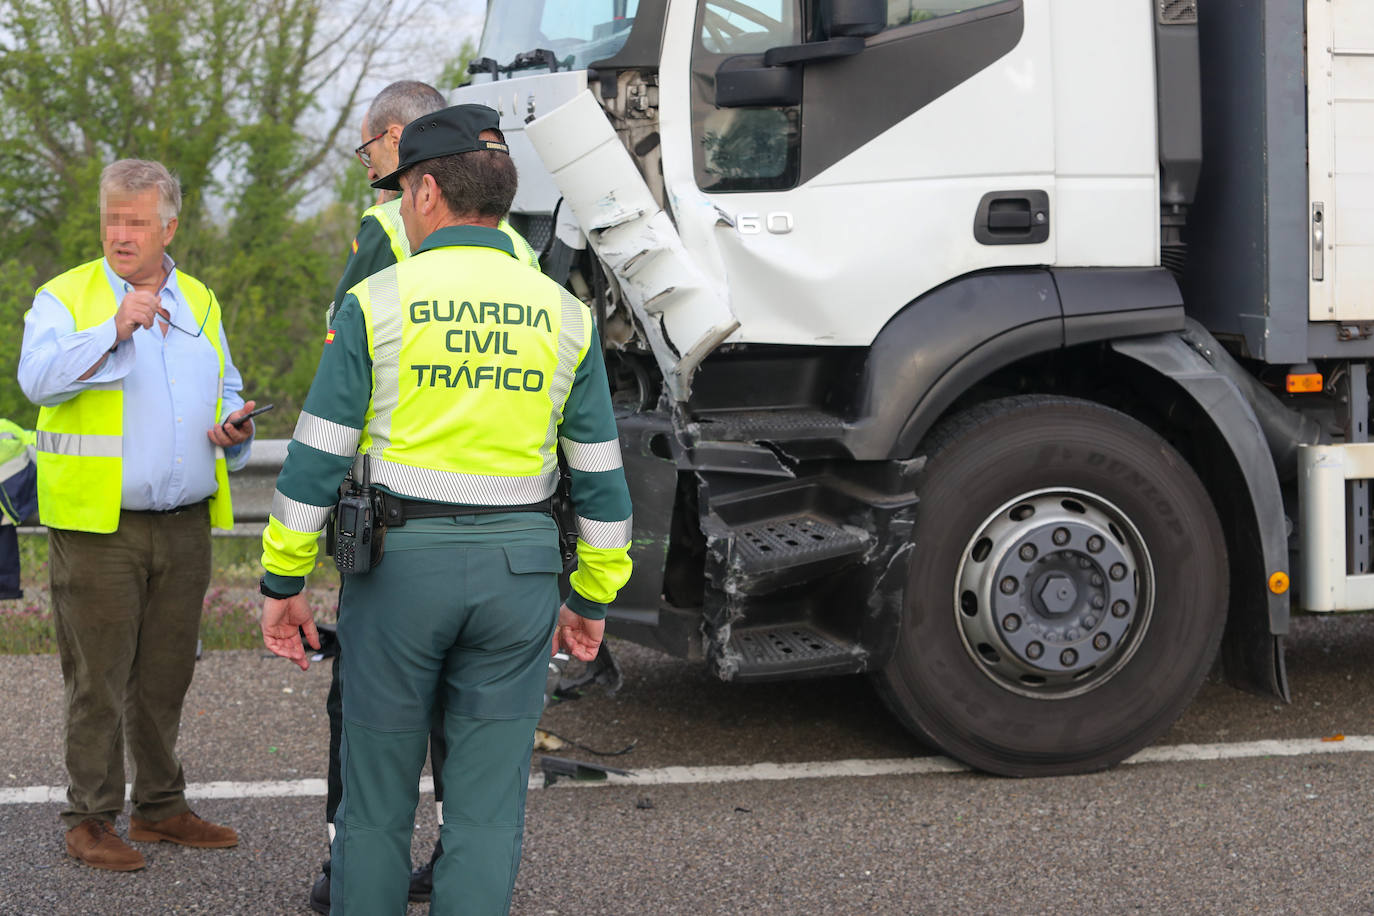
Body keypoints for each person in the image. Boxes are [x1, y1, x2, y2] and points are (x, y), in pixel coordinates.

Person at [260, 104, 631, 914]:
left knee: (375, 808)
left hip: (401, 577)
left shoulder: (378, 304)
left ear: (426, 194)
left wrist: (281, 581)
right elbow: (600, 474)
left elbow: (316, 455)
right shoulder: (565, 317)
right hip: (522, 576)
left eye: (401, 194)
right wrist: (592, 595)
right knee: (487, 813)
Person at [310, 80, 545, 915]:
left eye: (376, 154)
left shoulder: (386, 236)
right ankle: (451, 869)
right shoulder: (526, 260)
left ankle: (346, 874)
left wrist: (290, 569)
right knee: (477, 755)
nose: (377, 176)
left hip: (398, 536)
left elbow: (336, 400)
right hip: (515, 544)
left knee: (371, 740)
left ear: (416, 167)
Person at [17, 158, 257, 871]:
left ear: (169, 226)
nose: (121, 235)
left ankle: (159, 808)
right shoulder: (66, 297)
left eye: (137, 221)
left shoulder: (203, 302)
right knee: (97, 681)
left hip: (184, 524)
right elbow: (36, 381)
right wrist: (113, 329)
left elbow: (227, 387)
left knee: (165, 675)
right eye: (112, 220)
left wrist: (235, 430)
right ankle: (89, 819)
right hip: (98, 527)